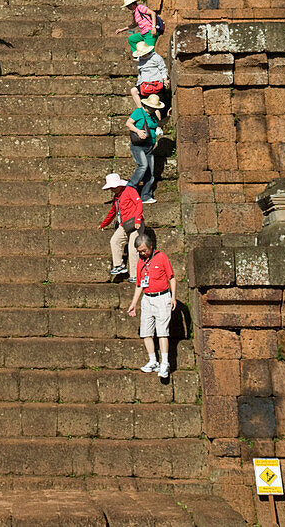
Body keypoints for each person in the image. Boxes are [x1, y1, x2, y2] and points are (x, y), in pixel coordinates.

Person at [127, 228, 176, 378]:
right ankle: (153, 361)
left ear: (150, 246)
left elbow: (171, 277)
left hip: (162, 297)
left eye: (144, 250)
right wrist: (134, 303)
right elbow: (139, 284)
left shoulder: (161, 257)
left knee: (162, 332)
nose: (142, 253)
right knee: (146, 332)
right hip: (147, 298)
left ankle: (165, 363)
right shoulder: (141, 262)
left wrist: (173, 297)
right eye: (139, 251)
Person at [99, 172, 144, 282]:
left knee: (133, 248)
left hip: (135, 223)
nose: (113, 189)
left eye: (114, 186)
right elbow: (113, 212)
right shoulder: (116, 197)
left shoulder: (130, 190)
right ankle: (118, 265)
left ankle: (134, 275)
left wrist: (138, 219)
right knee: (115, 241)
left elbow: (139, 204)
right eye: (111, 187)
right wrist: (104, 224)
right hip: (124, 224)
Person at [125, 94, 164, 204]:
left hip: (150, 146)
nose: (155, 109)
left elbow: (158, 124)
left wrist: (168, 117)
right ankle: (130, 188)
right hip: (138, 145)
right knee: (143, 166)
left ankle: (146, 196)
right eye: (153, 107)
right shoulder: (139, 112)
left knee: (150, 173)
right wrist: (138, 131)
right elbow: (128, 123)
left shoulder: (153, 115)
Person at [130, 42, 170, 110]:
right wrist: (139, 84)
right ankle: (141, 110)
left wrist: (165, 79)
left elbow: (163, 69)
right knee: (133, 91)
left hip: (156, 83)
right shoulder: (140, 60)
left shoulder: (156, 57)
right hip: (144, 84)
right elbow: (140, 74)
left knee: (155, 106)